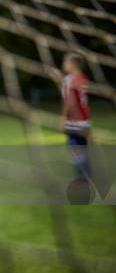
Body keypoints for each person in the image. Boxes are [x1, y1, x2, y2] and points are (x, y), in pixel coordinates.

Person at [50, 52, 92, 181]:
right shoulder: (81, 78)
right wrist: (58, 81)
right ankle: (86, 175)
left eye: (65, 63)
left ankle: (82, 177)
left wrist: (63, 118)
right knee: (81, 148)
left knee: (76, 149)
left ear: (73, 64)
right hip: (84, 121)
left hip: (74, 121)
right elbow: (65, 92)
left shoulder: (72, 80)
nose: (64, 65)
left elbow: (70, 100)